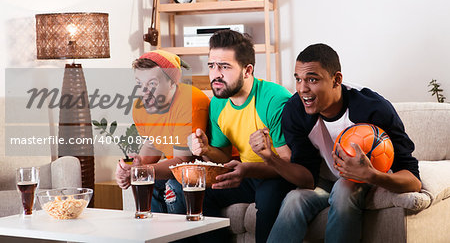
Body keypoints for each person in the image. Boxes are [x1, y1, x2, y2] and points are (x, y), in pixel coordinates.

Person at [252, 43, 422, 243]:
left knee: (344, 188)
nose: (302, 89)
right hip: (324, 182)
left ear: (336, 80)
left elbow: (413, 181)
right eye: (298, 79)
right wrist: (270, 158)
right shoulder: (295, 111)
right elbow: (307, 179)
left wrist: (371, 175)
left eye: (312, 79)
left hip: (366, 181)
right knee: (293, 199)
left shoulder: (373, 109)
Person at [191, 30, 295, 243]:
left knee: (267, 196)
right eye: (211, 66)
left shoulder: (274, 100)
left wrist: (247, 169)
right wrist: (206, 150)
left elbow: (289, 163)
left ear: (248, 70)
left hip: (279, 175)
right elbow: (224, 156)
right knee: (196, 190)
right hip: (246, 175)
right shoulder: (218, 102)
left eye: (224, 67)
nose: (215, 74)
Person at [115, 50, 210, 214]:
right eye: (139, 84)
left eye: (152, 84)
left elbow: (183, 161)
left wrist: (142, 170)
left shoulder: (190, 101)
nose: (144, 92)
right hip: (180, 170)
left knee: (173, 186)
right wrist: (131, 168)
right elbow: (153, 146)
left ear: (172, 83)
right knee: (145, 180)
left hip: (205, 170)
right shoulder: (141, 107)